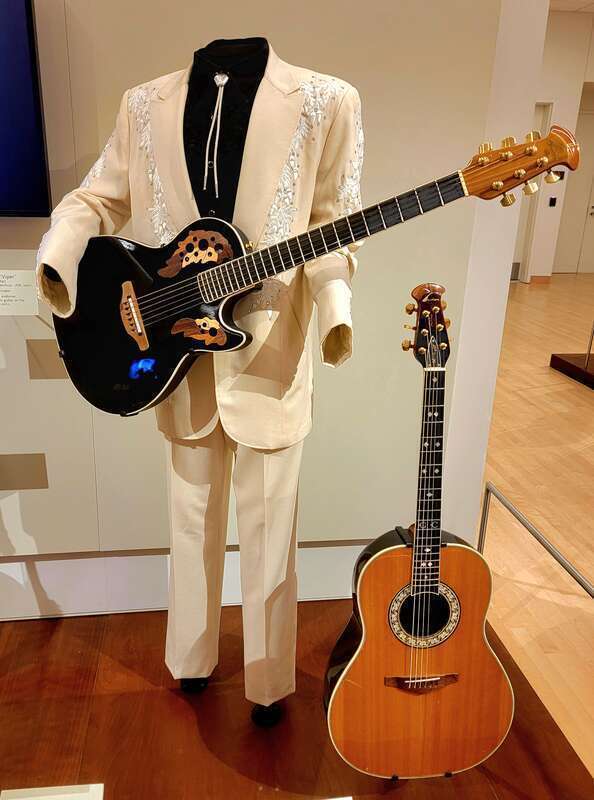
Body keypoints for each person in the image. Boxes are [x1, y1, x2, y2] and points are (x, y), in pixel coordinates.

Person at [36, 37, 364, 727]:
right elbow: (98, 195)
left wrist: (336, 313)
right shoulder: (143, 104)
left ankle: (270, 683)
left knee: (272, 528)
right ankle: (190, 659)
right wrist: (61, 263)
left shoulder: (327, 100)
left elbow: (333, 223)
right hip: (170, 357)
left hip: (272, 353)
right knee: (189, 519)